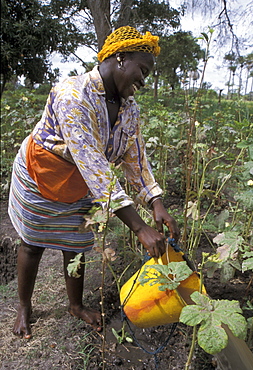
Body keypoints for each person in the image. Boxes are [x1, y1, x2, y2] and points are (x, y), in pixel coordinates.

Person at [8, 26, 179, 339]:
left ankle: (75, 306)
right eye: (142, 70)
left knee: (76, 247)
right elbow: (94, 163)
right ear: (120, 58)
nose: (144, 80)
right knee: (32, 245)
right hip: (41, 177)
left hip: (84, 185)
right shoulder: (73, 95)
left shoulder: (129, 110)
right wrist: (140, 228)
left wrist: (156, 204)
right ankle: (23, 306)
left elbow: (136, 158)